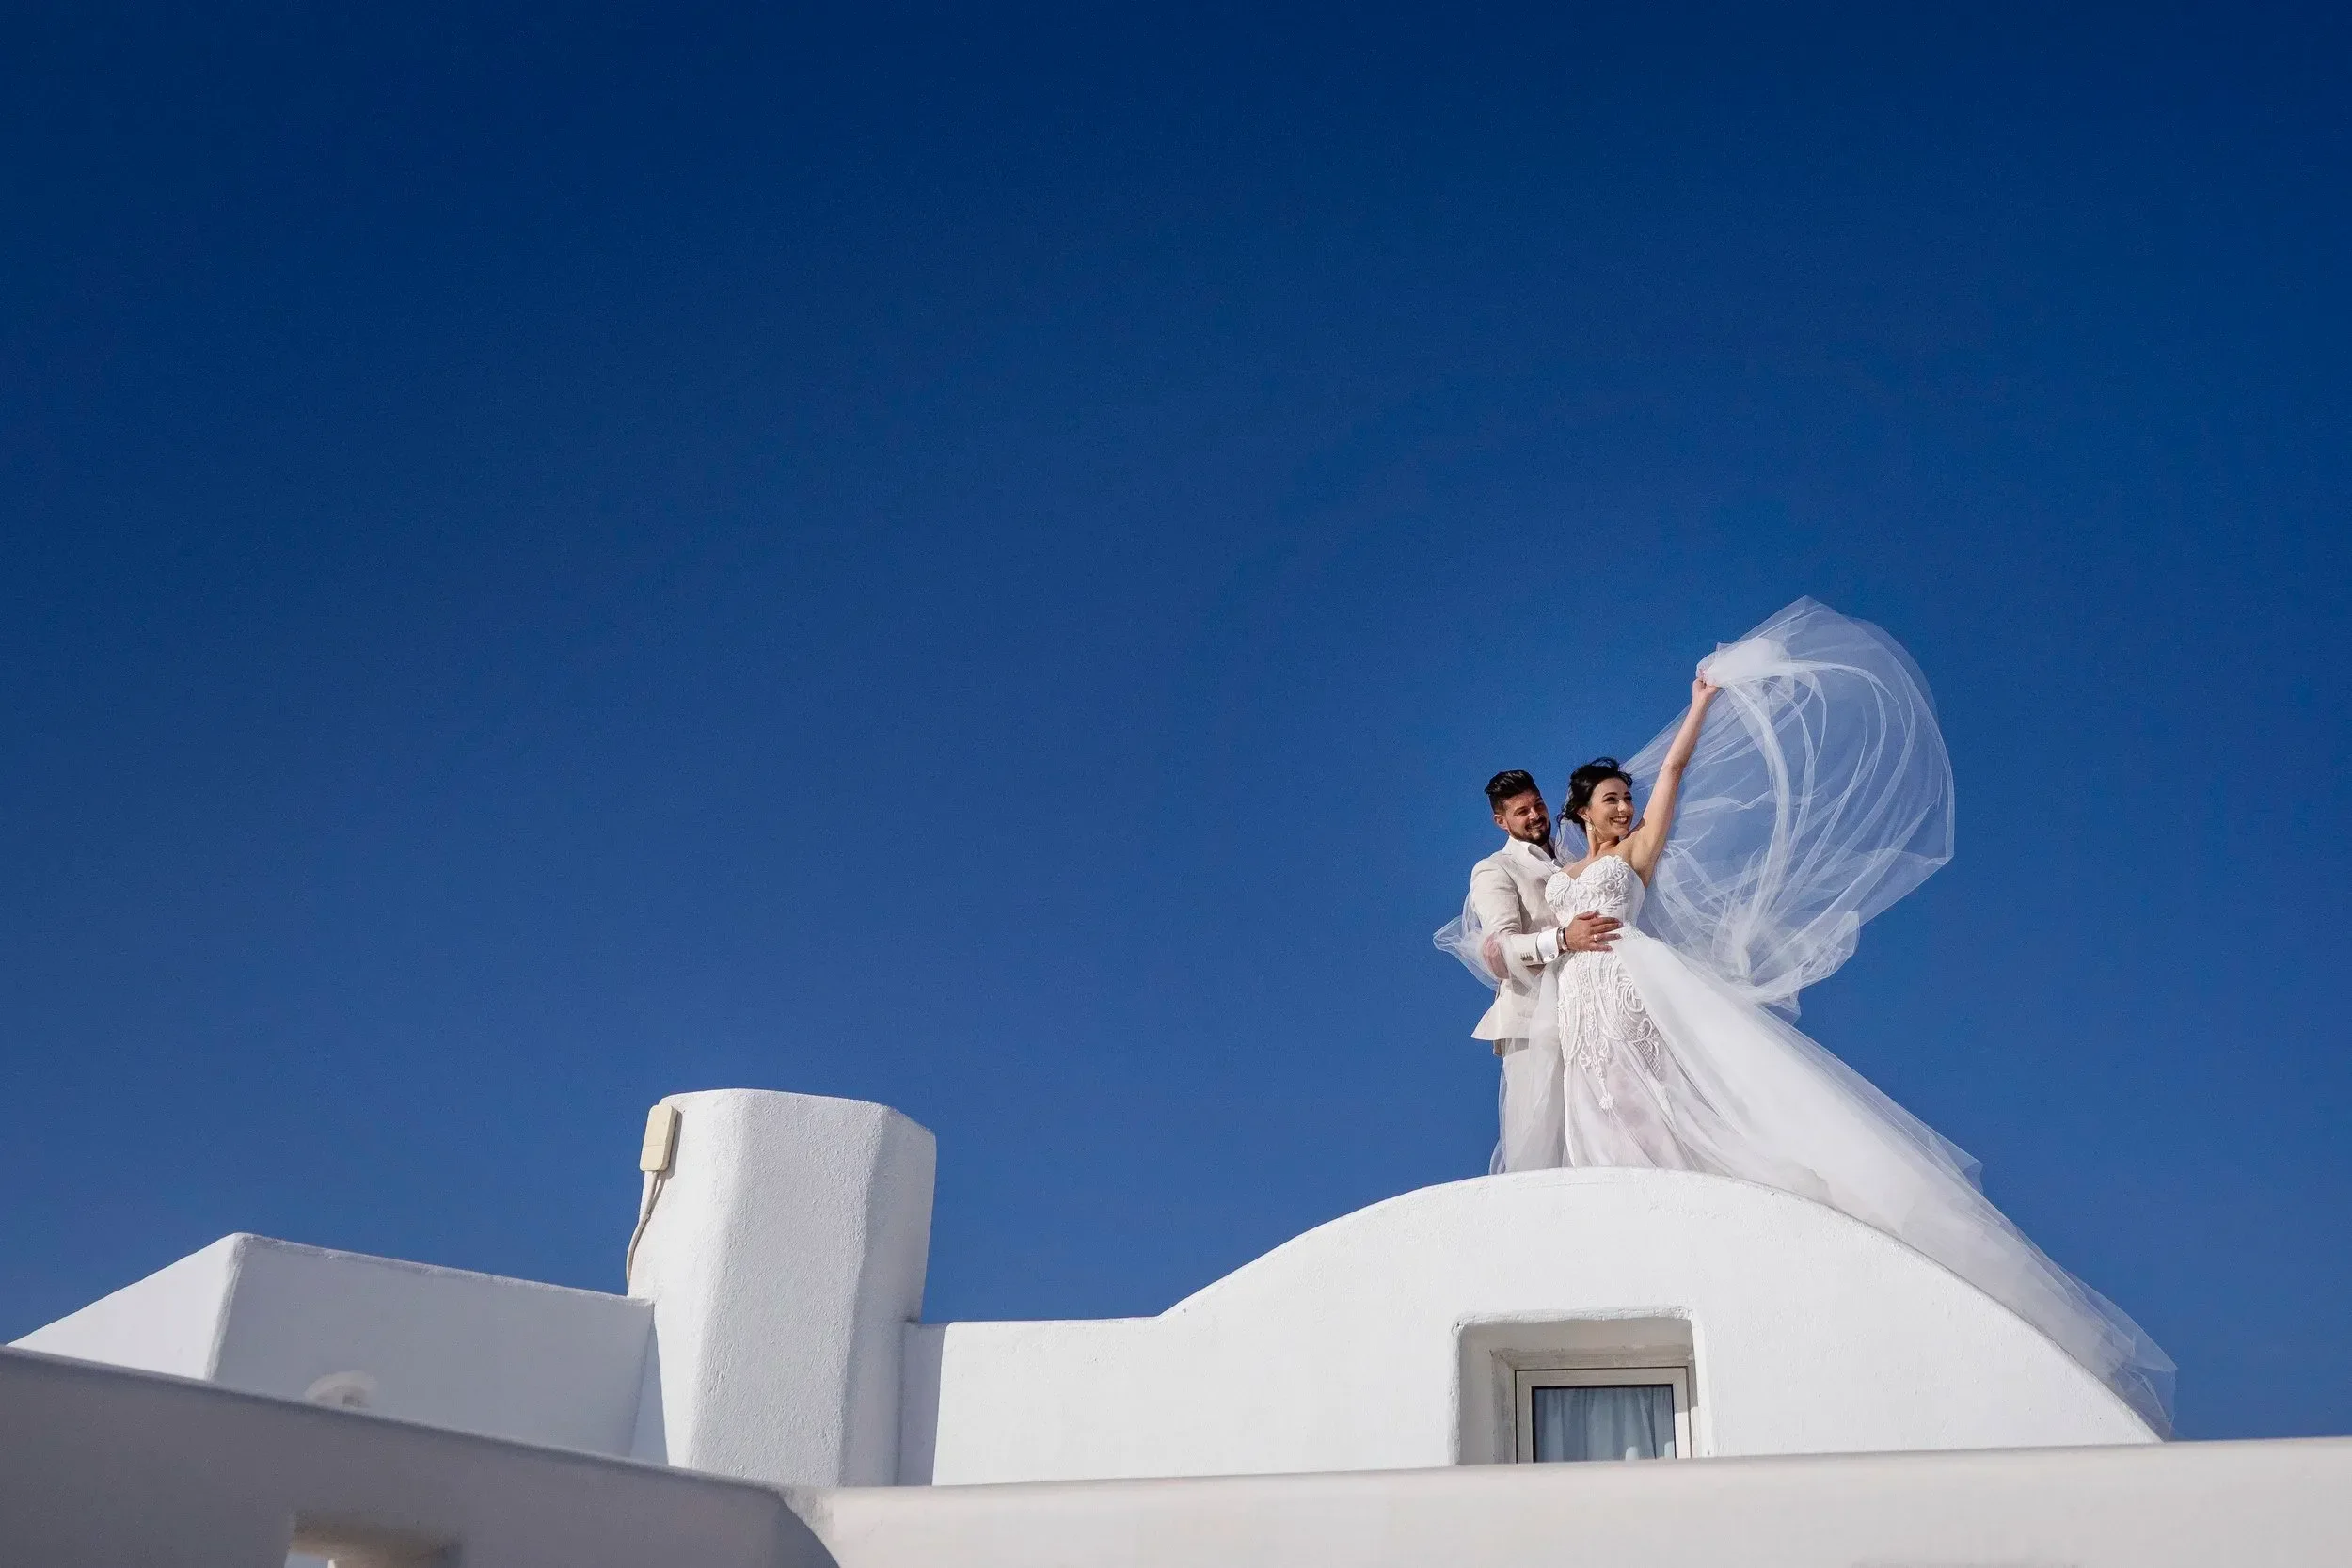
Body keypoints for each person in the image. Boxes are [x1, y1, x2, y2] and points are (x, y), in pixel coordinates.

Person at [1457, 598, 2175, 1434]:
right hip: (1574, 999)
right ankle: (1619, 1240)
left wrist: (1700, 704)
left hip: (1627, 986)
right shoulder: (1552, 872)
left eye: (1626, 797)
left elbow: (1678, 777)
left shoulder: (1637, 853)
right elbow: (1504, 944)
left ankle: (1676, 1211)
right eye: (1612, 798)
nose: (1624, 805)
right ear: (1580, 811)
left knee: (1647, 1100)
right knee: (1592, 1104)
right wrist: (1558, 934)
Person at [1441, 770, 1626, 1175]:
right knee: (1538, 1144)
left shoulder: (1574, 862)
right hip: (1530, 1023)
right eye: (1521, 811)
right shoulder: (1496, 869)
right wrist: (1562, 938)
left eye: (1538, 804)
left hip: (1585, 1014)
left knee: (1596, 1133)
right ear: (1501, 822)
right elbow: (1496, 951)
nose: (1535, 816)